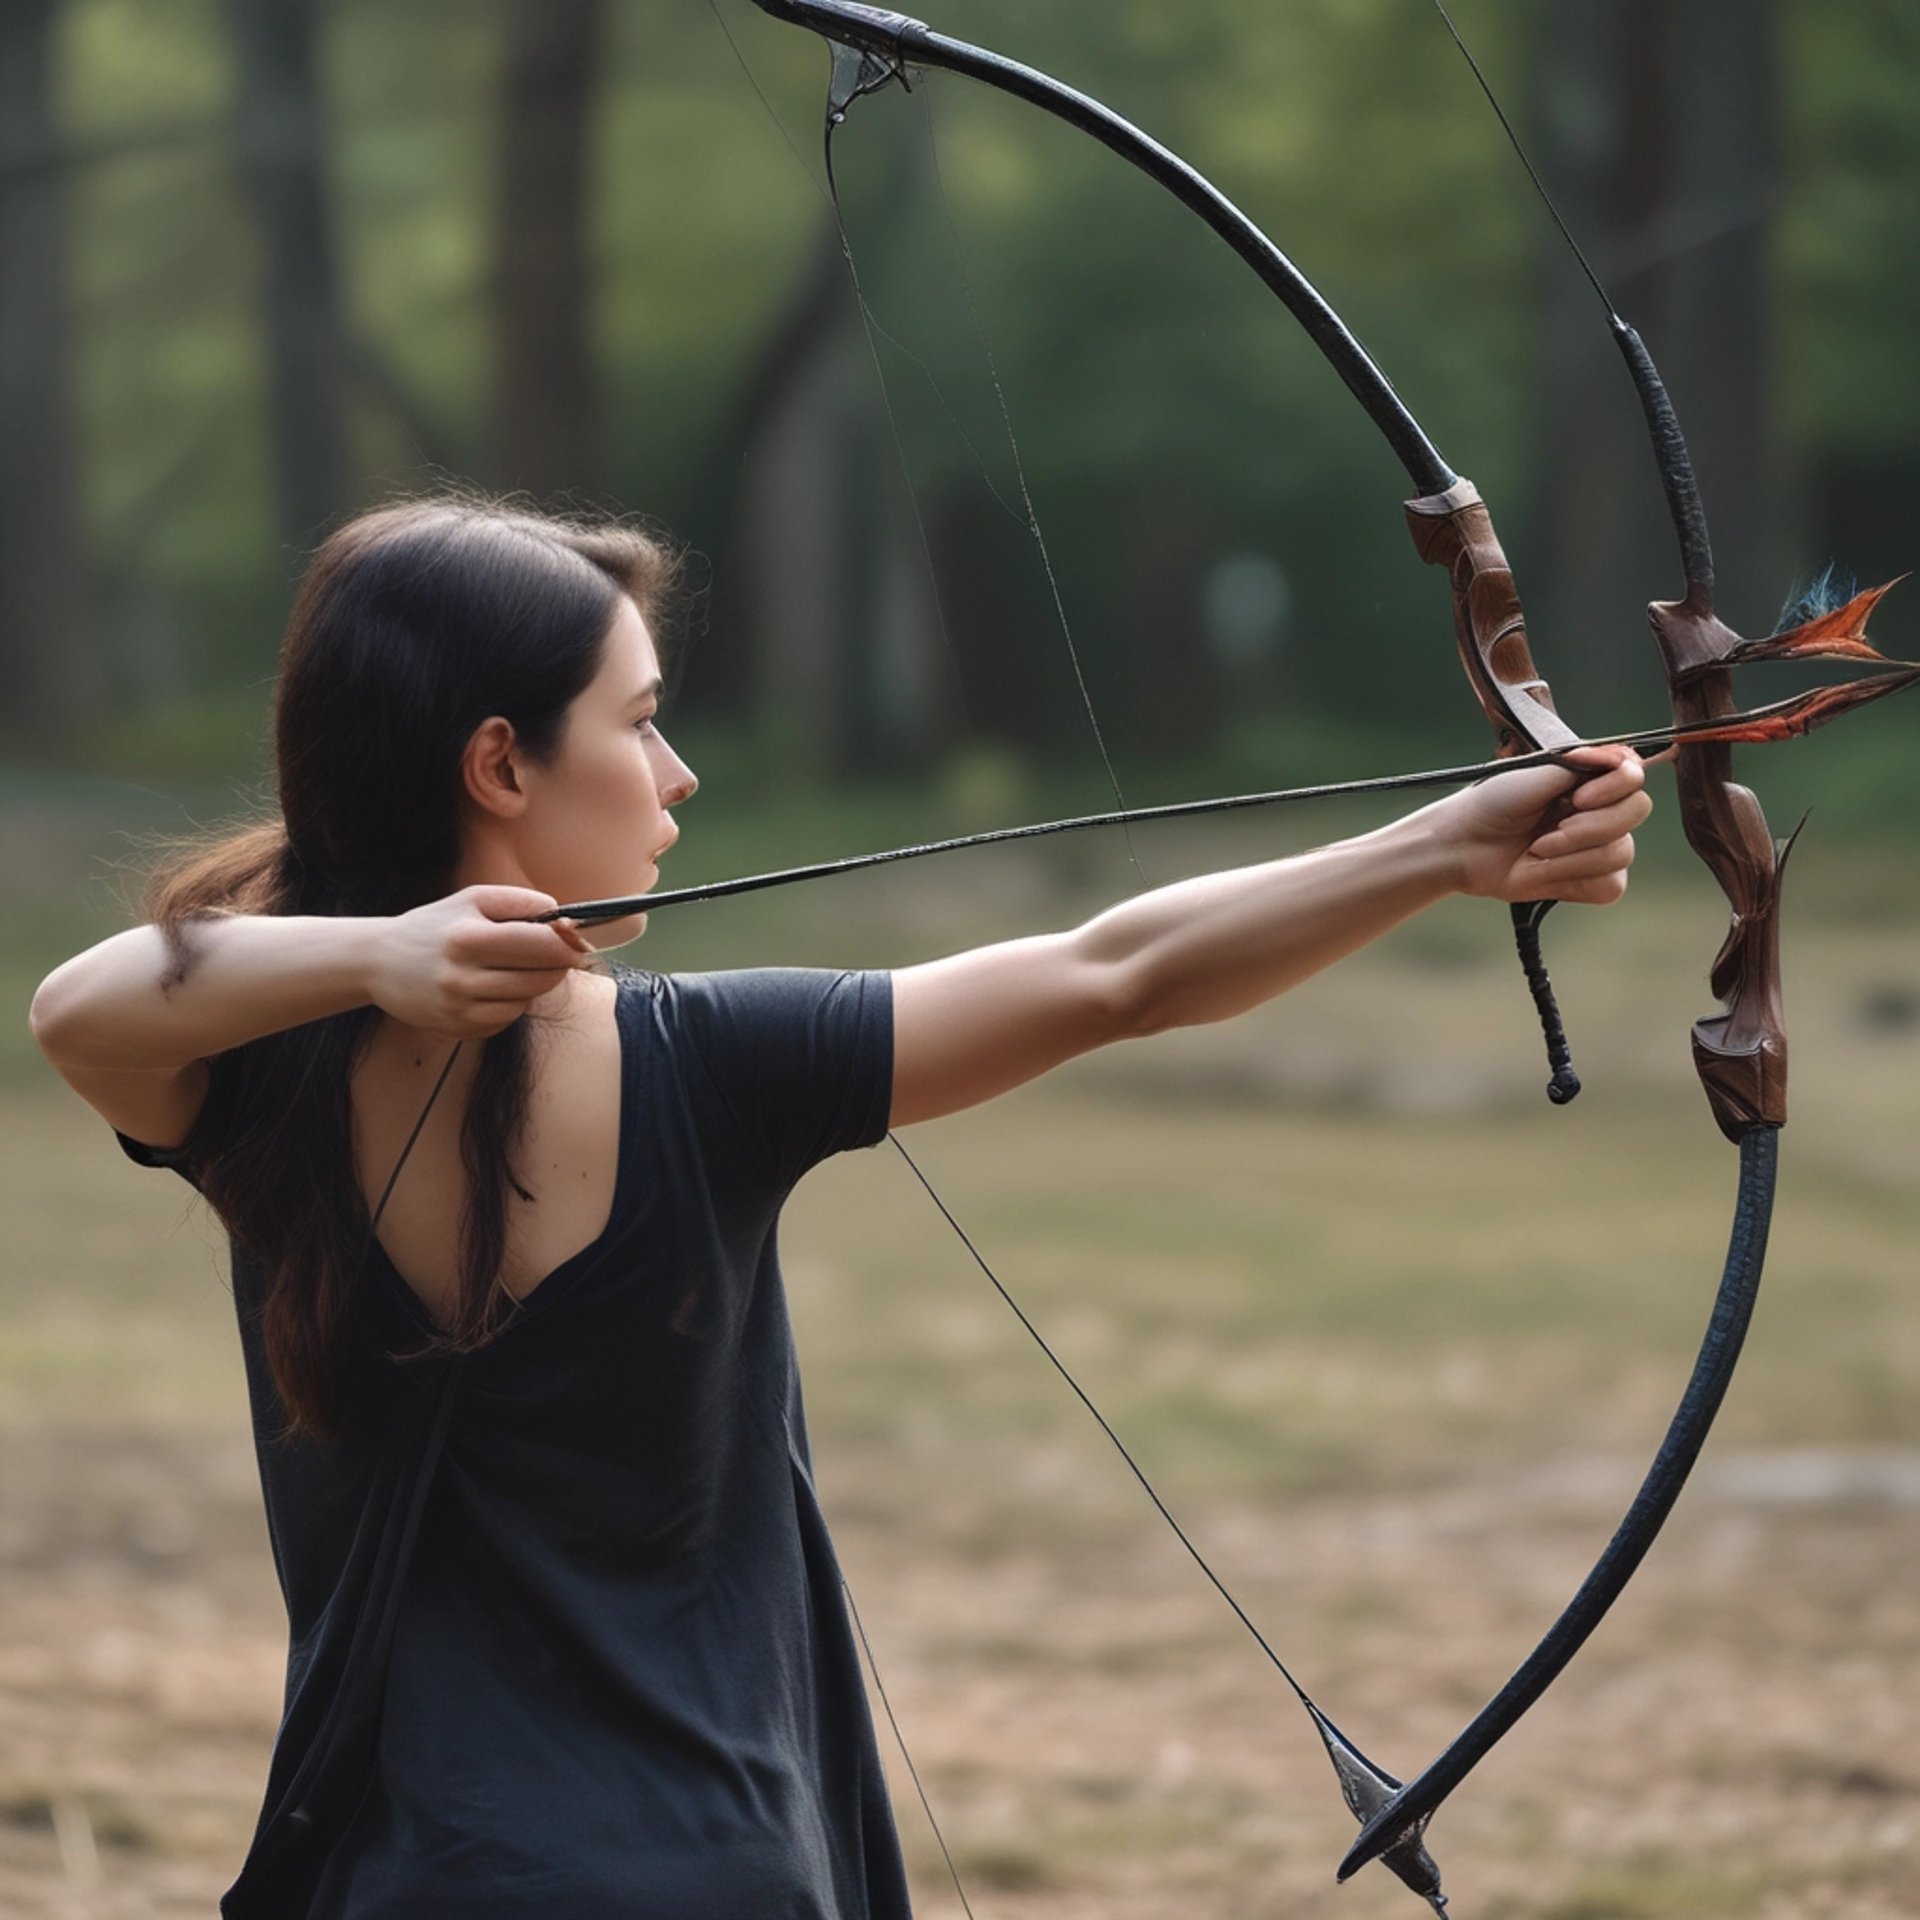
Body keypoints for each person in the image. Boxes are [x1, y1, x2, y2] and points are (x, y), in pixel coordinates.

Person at [27, 495, 1651, 1919]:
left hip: (398, 1885)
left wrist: (368, 956)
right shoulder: (702, 1065)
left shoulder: (255, 1088)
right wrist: (1438, 853)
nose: (679, 774)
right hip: (715, 1876)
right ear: (500, 763)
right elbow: (1119, 979)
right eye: (641, 720)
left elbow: (96, 1011)